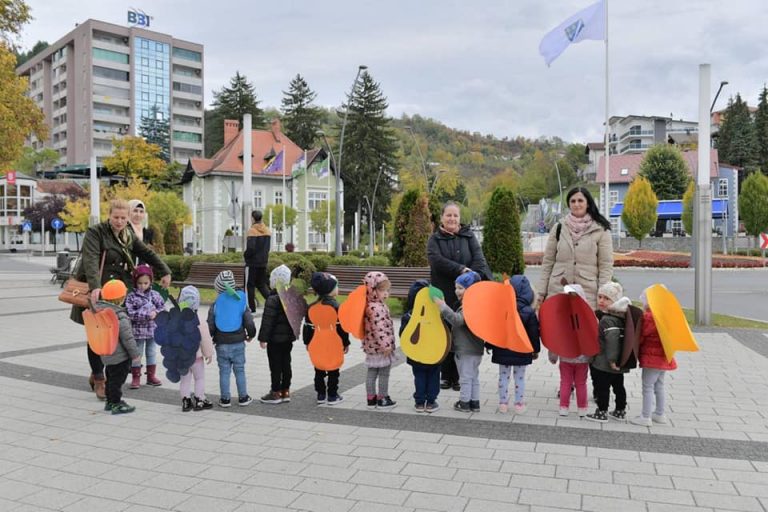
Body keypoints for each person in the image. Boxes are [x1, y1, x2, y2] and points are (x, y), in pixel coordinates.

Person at [70, 198, 171, 400]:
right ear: (109, 216)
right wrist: (95, 286)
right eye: (116, 217)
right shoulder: (96, 232)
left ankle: (105, 373)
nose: (119, 221)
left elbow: (146, 252)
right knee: (97, 335)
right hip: (97, 290)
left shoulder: (127, 234)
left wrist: (165, 270)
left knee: (114, 335)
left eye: (123, 218)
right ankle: (99, 379)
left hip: (118, 293)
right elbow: (90, 259)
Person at [427, 201, 492, 391]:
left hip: (466, 295)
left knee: (462, 334)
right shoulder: (435, 239)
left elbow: (479, 259)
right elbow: (436, 261)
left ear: (459, 218)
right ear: (442, 218)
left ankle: (459, 377)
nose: (452, 219)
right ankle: (446, 376)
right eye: (448, 215)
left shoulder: (468, 236)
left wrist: (471, 275)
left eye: (455, 215)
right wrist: (461, 269)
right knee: (446, 332)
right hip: (445, 292)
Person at [536, 187, 614, 310]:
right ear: (569, 204)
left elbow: (605, 266)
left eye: (580, 200)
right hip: (557, 291)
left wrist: (603, 294)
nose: (576, 204)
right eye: (573, 201)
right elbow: (548, 262)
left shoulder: (601, 230)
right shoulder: (559, 228)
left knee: (584, 329)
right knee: (557, 329)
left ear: (588, 203)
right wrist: (541, 292)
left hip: (587, 294)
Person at [434, 271, 484, 413]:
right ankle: (474, 402)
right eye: (456, 287)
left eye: (461, 288)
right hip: (476, 349)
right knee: (473, 377)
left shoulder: (469, 306)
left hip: (465, 349)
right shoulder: (479, 305)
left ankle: (464, 403)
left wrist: (443, 306)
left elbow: (457, 320)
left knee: (465, 378)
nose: (457, 291)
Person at [489, 275, 540, 414]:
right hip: (522, 349)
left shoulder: (501, 309)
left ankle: (503, 404)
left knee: (503, 377)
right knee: (520, 378)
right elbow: (534, 333)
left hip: (503, 348)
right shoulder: (529, 312)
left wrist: (489, 345)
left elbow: (494, 329)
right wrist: (535, 350)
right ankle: (518, 404)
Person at [207, 270, 256, 407]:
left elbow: (210, 324)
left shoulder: (216, 304)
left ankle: (225, 399)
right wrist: (251, 334)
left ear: (218, 288)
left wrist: (209, 339)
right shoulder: (240, 300)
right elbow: (248, 320)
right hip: (238, 342)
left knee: (224, 371)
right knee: (240, 370)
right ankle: (243, 397)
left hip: (221, 343)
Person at [630, 288, 677, 427]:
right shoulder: (667, 315)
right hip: (664, 356)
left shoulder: (649, 317)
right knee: (659, 386)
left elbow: (641, 336)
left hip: (651, 358)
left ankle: (645, 416)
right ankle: (660, 414)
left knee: (647, 387)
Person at [586, 282, 631, 423]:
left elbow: (612, 341)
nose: (601, 301)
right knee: (619, 386)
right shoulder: (622, 317)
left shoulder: (607, 320)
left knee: (602, 387)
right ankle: (620, 410)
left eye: (606, 298)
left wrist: (612, 360)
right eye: (600, 297)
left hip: (605, 362)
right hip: (619, 363)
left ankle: (602, 412)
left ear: (615, 301)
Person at [303, 272, 350, 405]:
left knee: (319, 367)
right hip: (333, 342)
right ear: (331, 289)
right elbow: (342, 328)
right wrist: (345, 343)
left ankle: (321, 394)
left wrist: (307, 342)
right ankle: (332, 395)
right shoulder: (336, 307)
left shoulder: (311, 307)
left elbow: (308, 327)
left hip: (317, 342)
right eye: (336, 286)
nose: (337, 288)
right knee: (334, 368)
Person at [548, 284, 592, 417]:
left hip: (565, 357)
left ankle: (563, 408)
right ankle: (582, 409)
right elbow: (593, 336)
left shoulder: (561, 317)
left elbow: (556, 339)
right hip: (583, 358)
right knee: (581, 383)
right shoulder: (588, 316)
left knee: (565, 382)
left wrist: (553, 356)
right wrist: (592, 355)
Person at [97, 279, 140, 414]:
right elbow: (128, 339)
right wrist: (135, 355)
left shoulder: (100, 313)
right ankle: (116, 403)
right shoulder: (120, 317)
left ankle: (109, 402)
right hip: (120, 357)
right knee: (117, 381)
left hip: (106, 354)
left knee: (110, 379)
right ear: (122, 298)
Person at [401, 279, 441, 413]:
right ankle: (430, 402)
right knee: (433, 376)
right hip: (434, 353)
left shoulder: (408, 316)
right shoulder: (437, 315)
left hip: (416, 354)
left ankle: (419, 402)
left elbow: (403, 335)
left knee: (419, 376)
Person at [257, 265, 296, 404]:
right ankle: (286, 391)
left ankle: (275, 392)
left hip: (274, 340)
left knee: (275, 366)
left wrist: (263, 338)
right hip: (287, 340)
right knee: (286, 363)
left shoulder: (272, 299)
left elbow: (267, 321)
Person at [124, 264, 166, 389]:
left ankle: (151, 376)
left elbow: (163, 307)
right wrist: (147, 314)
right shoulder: (131, 297)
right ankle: (136, 376)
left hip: (153, 331)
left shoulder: (155, 295)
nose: (143, 286)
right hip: (137, 332)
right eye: (140, 283)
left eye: (146, 283)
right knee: (137, 354)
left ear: (150, 282)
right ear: (135, 282)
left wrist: (156, 313)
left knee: (152, 352)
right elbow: (130, 313)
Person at [362, 271, 397, 410]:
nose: (386, 294)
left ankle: (371, 399)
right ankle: (383, 398)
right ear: (372, 289)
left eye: (387, 290)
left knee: (371, 372)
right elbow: (379, 329)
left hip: (371, 347)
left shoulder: (371, 304)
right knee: (383, 373)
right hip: (381, 348)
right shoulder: (376, 307)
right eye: (382, 290)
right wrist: (386, 346)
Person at [177, 286, 215, 412]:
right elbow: (205, 339)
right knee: (199, 378)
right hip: (196, 357)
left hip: (182, 358)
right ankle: (199, 399)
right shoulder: (199, 320)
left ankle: (186, 401)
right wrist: (208, 353)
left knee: (185, 380)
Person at [244, 210, 272, 312]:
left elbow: (250, 249)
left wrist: (245, 255)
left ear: (253, 218)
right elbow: (267, 248)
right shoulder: (267, 231)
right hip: (263, 262)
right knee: (261, 284)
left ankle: (252, 308)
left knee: (250, 285)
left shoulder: (252, 231)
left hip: (252, 263)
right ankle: (272, 303)